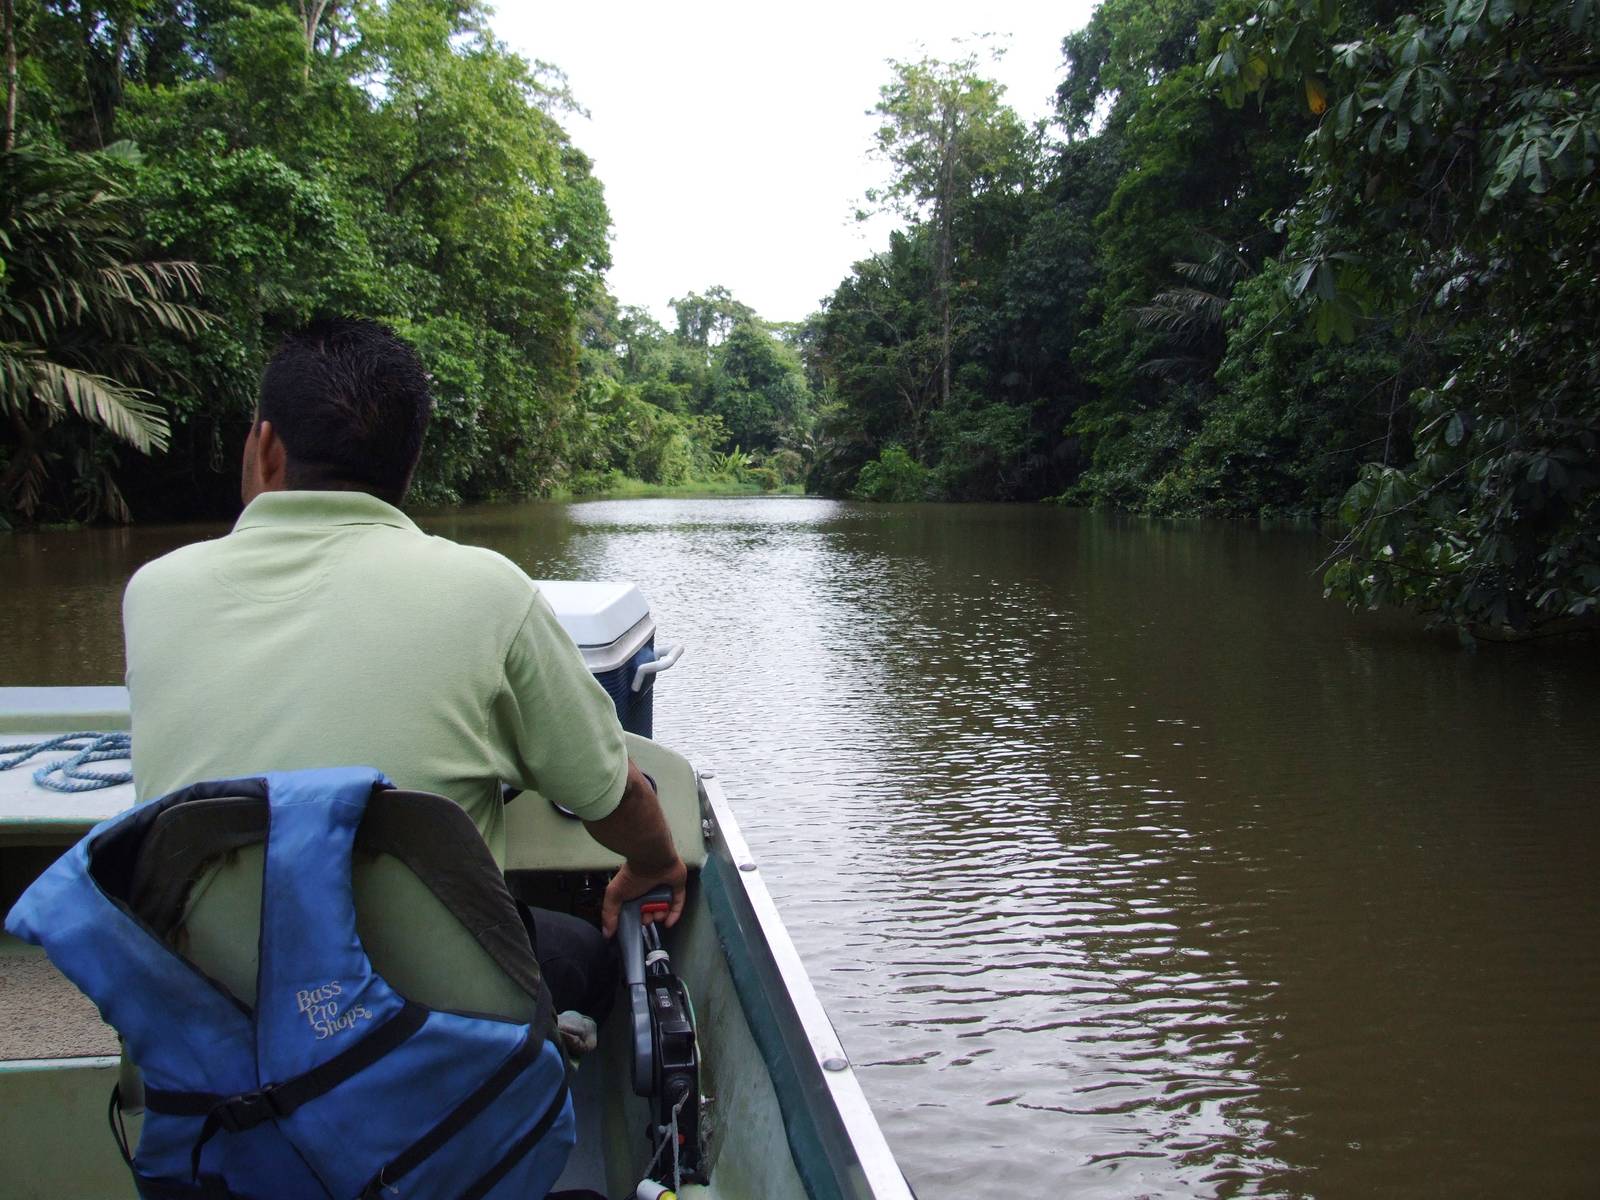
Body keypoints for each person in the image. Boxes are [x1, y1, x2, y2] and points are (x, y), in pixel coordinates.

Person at [122, 317, 685, 1015]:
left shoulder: (153, 593)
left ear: (264, 448)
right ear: (407, 466)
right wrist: (656, 862)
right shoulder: (488, 593)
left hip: (208, 1037)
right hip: (430, 1045)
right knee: (587, 954)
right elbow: (613, 798)